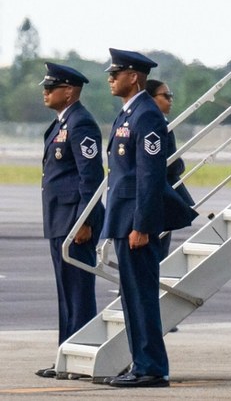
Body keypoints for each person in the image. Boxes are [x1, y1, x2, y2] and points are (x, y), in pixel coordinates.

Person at [100, 48, 171, 388]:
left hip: (135, 222)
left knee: (141, 296)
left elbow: (150, 176)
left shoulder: (146, 115)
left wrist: (142, 225)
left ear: (133, 77)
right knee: (131, 296)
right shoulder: (128, 114)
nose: (110, 79)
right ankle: (140, 363)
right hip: (123, 217)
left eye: (116, 74)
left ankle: (152, 367)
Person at [35, 62, 105, 379]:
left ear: (69, 91)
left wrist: (84, 221)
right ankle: (66, 357)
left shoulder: (81, 123)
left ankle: (82, 356)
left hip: (75, 221)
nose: (46, 92)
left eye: (51, 88)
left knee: (78, 293)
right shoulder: (61, 123)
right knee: (66, 293)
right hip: (59, 218)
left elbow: (91, 177)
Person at [144, 79, 195, 260]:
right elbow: (169, 164)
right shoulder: (156, 124)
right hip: (158, 195)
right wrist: (180, 165)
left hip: (158, 196)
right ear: (150, 98)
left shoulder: (156, 122)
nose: (170, 99)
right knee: (156, 252)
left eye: (171, 95)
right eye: (166, 96)